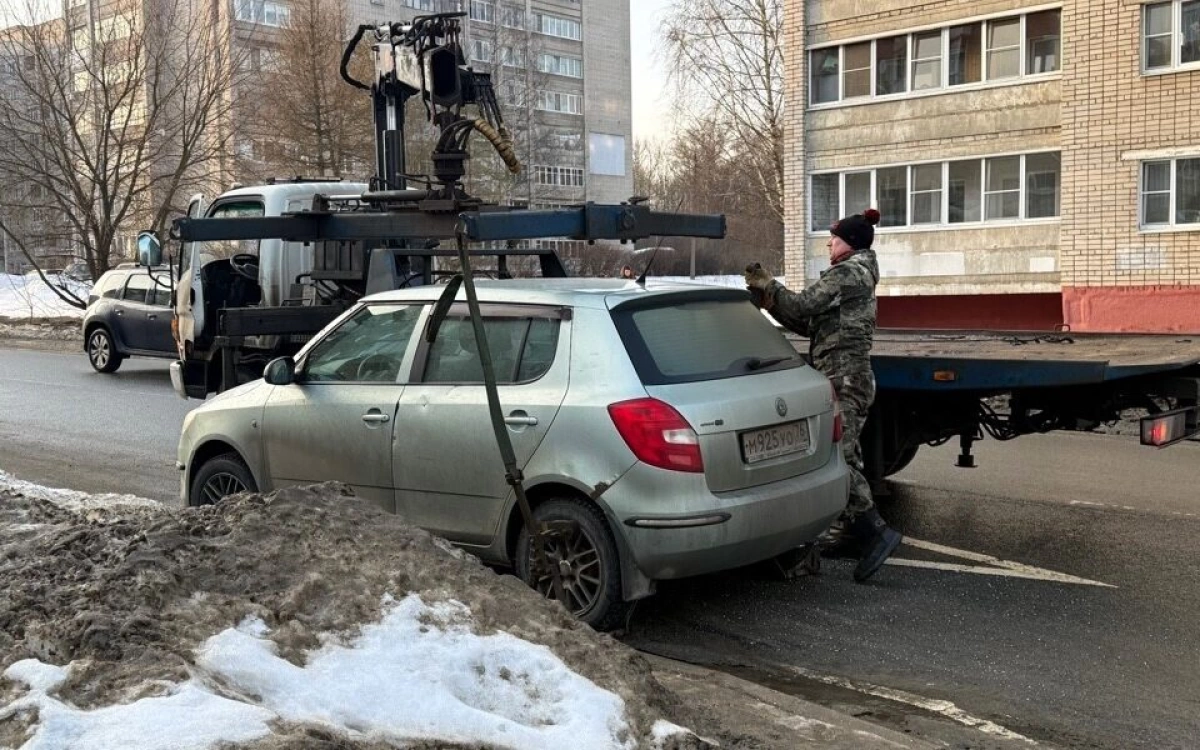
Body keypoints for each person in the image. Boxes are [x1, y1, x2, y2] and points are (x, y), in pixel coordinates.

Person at [743, 208, 901, 583]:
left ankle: (876, 533)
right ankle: (850, 534)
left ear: (849, 242)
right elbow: (807, 322)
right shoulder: (855, 274)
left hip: (846, 379)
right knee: (849, 456)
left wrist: (771, 286)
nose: (829, 243)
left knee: (838, 460)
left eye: (834, 238)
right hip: (844, 378)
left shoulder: (849, 272)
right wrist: (768, 301)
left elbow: (801, 305)